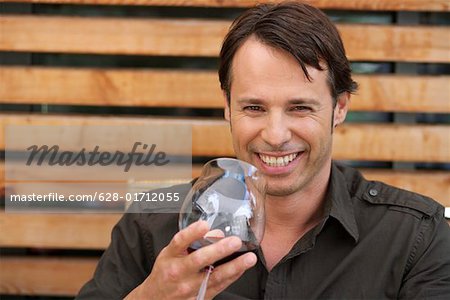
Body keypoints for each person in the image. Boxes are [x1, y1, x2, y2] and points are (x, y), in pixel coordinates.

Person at [77, 2, 450, 299]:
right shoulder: (150, 224)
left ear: (340, 107)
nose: (274, 135)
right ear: (227, 106)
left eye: (300, 108)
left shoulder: (416, 237)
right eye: (254, 108)